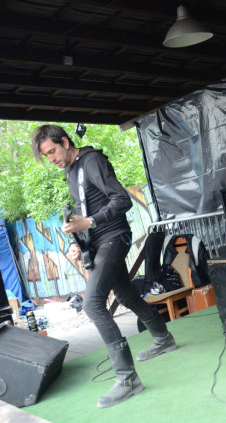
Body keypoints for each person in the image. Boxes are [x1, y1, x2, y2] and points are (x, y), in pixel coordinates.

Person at [31, 125, 177, 408]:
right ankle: (163, 338)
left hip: (114, 237)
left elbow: (122, 199)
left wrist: (90, 222)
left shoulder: (92, 161)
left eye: (52, 151)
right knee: (126, 295)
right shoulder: (71, 171)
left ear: (65, 142)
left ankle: (127, 378)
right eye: (45, 155)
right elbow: (85, 213)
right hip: (99, 241)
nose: (51, 158)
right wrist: (80, 241)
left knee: (92, 304)